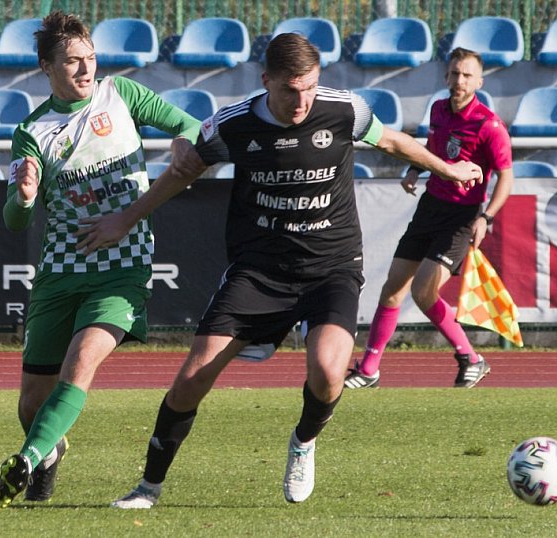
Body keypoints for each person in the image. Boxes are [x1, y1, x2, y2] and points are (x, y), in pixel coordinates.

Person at [73, 32, 482, 509]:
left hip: (331, 265)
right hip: (260, 270)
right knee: (191, 379)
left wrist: (448, 169)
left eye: (310, 88)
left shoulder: (344, 109)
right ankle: (148, 487)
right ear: (267, 80)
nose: (302, 101)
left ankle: (304, 441)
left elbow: (392, 141)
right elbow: (184, 168)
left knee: (328, 372)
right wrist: (125, 219)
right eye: (291, 90)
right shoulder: (236, 124)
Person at [0, 10, 203, 507]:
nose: (86, 69)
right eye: (72, 61)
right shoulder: (32, 132)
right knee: (32, 403)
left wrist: (182, 139)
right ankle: (49, 449)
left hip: (122, 267)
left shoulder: (120, 94)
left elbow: (193, 124)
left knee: (81, 361)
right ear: (47, 67)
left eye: (90, 58)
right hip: (60, 273)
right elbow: (15, 220)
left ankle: (25, 460)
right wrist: (23, 197)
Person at [344, 47, 514, 391]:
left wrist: (486, 217)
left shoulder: (489, 125)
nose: (459, 80)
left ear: (479, 82)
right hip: (430, 208)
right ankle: (370, 369)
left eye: (466, 75)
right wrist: (414, 169)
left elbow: (506, 177)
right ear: (446, 76)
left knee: (423, 291)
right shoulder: (438, 109)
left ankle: (471, 357)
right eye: (454, 73)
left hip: (460, 218)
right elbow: (433, 148)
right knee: (392, 289)